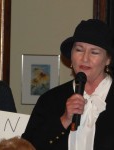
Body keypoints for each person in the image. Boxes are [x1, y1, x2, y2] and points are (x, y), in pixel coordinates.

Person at [21, 19, 114, 150]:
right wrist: (63, 120)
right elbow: (27, 146)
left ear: (108, 60)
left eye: (94, 52)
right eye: (79, 50)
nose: (85, 58)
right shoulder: (50, 99)